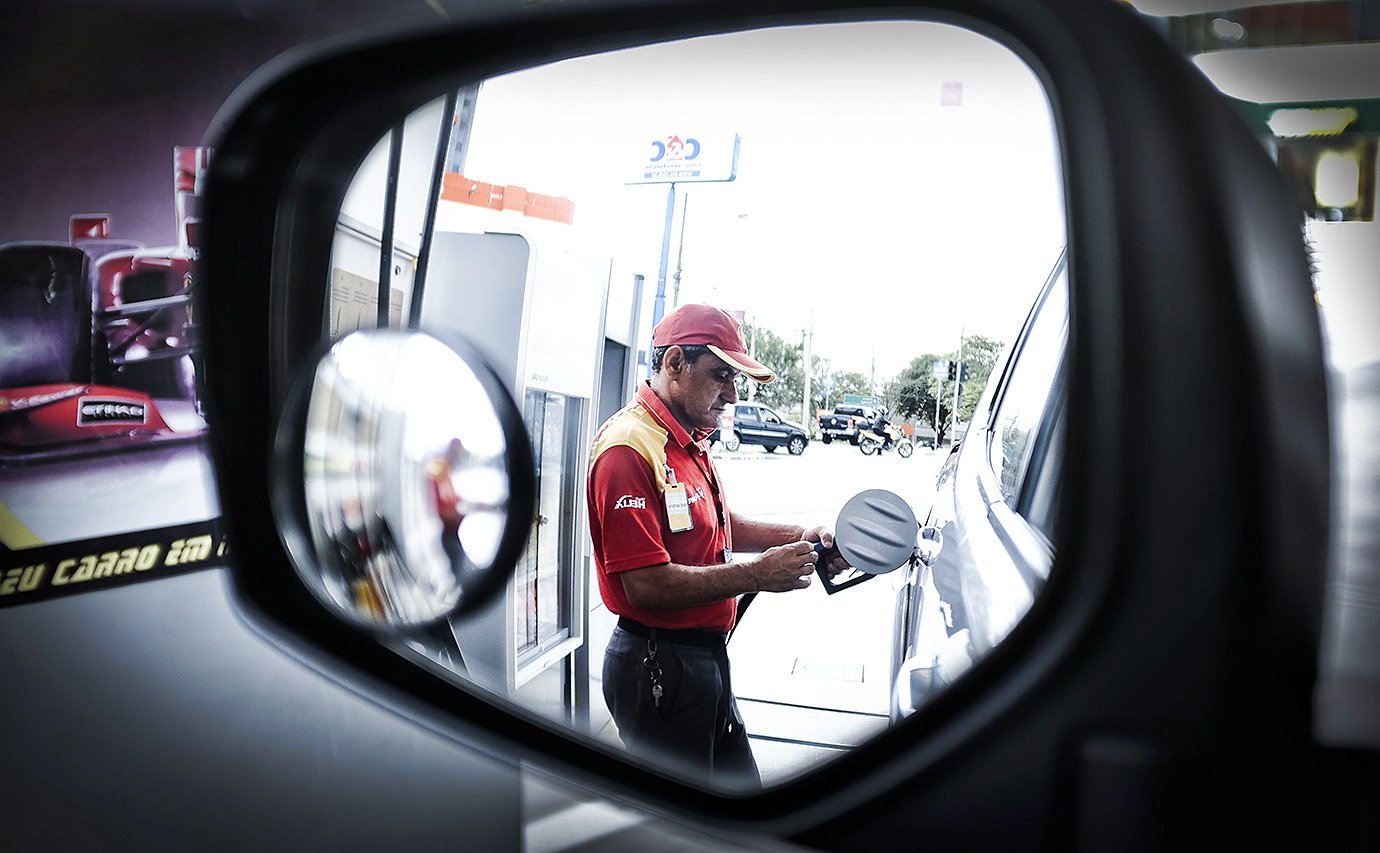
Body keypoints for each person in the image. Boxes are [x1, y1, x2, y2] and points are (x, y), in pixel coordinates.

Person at [585, 303, 849, 789]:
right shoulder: (629, 449)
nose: (731, 395)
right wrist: (756, 575)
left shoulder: (682, 439)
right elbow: (644, 585)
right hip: (660, 665)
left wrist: (801, 537)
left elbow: (719, 525)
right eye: (719, 375)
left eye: (735, 380)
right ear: (674, 366)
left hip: (701, 661)